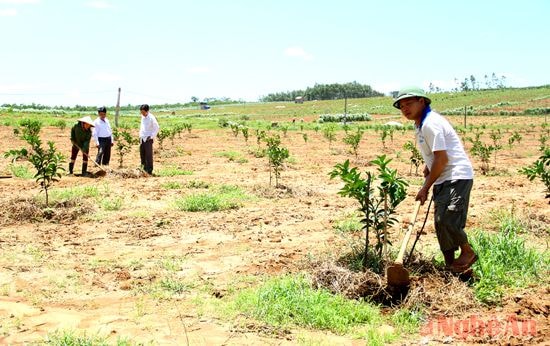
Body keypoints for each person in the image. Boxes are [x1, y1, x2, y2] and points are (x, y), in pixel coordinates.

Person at [393, 86, 477, 273]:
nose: (405, 109)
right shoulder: (420, 125)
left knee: (448, 218)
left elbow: (443, 159)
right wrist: (428, 165)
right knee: (440, 223)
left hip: (456, 176)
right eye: (401, 106)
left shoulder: (431, 123)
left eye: (409, 104)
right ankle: (452, 266)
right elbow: (435, 154)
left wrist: (425, 186)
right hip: (442, 177)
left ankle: (467, 252)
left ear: (422, 102)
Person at [139, 104, 160, 175]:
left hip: (148, 139)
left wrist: (151, 136)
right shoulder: (142, 117)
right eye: (141, 112)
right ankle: (143, 169)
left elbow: (157, 128)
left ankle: (149, 171)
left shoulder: (151, 118)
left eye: (143, 112)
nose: (142, 114)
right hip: (142, 138)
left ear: (147, 111)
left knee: (148, 155)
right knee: (142, 154)